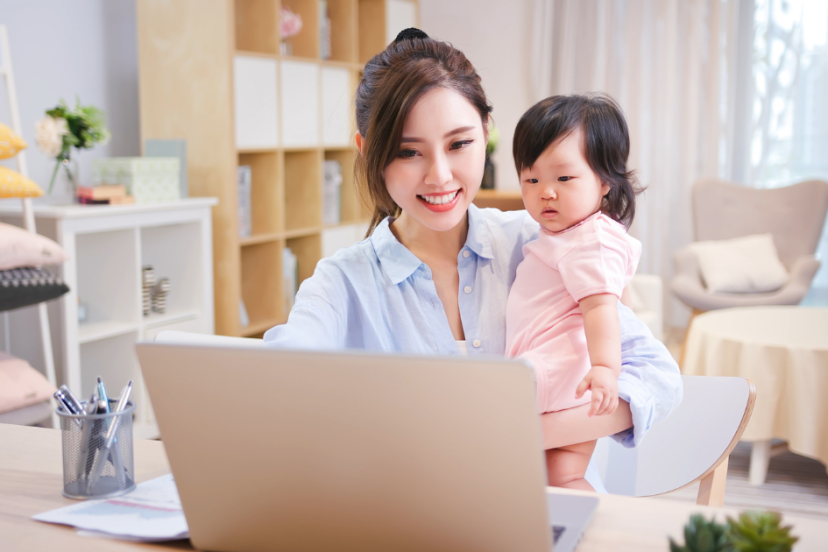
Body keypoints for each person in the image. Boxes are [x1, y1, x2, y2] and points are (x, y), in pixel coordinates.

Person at [264, 28, 682, 488]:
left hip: (553, 513)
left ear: (486, 133)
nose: (439, 176)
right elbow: (283, 380)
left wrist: (529, 431)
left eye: (459, 144)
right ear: (368, 153)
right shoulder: (343, 281)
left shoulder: (541, 244)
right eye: (408, 152)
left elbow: (657, 376)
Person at [507, 94, 642, 491]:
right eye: (532, 179)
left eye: (564, 178)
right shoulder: (570, 234)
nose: (546, 191)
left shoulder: (589, 241)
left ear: (604, 182)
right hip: (562, 371)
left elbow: (602, 307)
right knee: (562, 476)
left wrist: (605, 368)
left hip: (558, 371)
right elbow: (622, 303)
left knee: (492, 443)